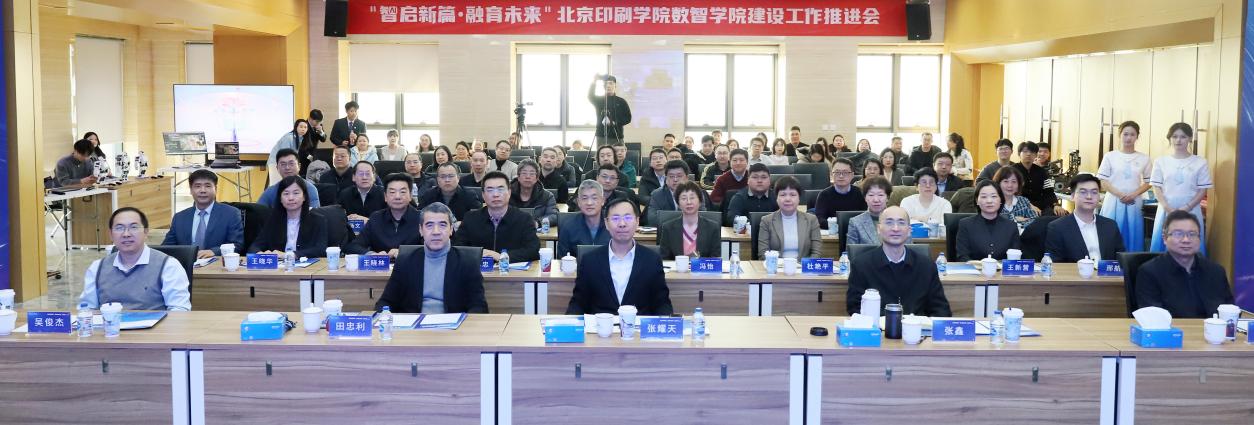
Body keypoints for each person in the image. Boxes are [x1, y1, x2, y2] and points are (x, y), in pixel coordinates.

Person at [373, 202, 489, 314]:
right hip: (414, 324)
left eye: (442, 225)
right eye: (429, 225)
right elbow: (385, 302)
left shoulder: (467, 262)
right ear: (420, 230)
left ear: (451, 230)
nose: (436, 232)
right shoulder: (405, 261)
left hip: (452, 325)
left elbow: (479, 306)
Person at [565, 198, 672, 315]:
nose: (622, 224)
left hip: (638, 326)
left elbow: (662, 303)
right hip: (601, 325)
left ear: (637, 222)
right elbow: (578, 303)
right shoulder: (590, 260)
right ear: (606, 223)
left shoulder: (652, 260)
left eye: (628, 218)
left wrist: (667, 321)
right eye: (615, 218)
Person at [79, 207, 191, 311]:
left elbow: (179, 311)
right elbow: (86, 309)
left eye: (134, 227)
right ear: (111, 234)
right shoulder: (97, 267)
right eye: (119, 228)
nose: (126, 234)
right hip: (109, 325)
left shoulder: (169, 266)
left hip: (155, 326)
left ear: (146, 232)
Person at [846, 206, 951, 317]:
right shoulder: (861, 265)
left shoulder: (927, 266)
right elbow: (855, 308)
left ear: (909, 230)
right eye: (889, 223)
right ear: (879, 229)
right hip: (878, 326)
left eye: (901, 223)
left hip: (917, 327)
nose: (895, 228)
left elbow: (941, 310)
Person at [1135, 210, 1232, 319]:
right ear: (1165, 238)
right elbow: (1153, 319)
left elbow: (1229, 313)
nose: (1186, 240)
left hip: (1213, 329)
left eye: (1192, 234)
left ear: (1199, 239)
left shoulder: (1216, 271)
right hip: (1172, 329)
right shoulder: (1149, 272)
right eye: (1178, 234)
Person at [1149, 122, 1212, 253]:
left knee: (1190, 242)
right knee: (1164, 244)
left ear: (1190, 138)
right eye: (1175, 136)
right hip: (1166, 209)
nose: (1178, 140)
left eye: (1183, 136)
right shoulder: (1160, 161)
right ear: (1170, 138)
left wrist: (1187, 208)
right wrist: (1167, 208)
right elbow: (1156, 187)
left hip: (1191, 209)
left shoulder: (1200, 162)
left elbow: (1202, 190)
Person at [453, 171, 541, 262]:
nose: (496, 195)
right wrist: (478, 253)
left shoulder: (524, 219)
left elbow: (533, 250)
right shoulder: (470, 218)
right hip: (478, 269)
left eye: (500, 189)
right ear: (483, 195)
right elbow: (458, 248)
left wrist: (501, 256)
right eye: (490, 190)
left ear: (509, 192)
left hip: (511, 270)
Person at [162, 169, 245, 258]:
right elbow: (166, 248)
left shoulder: (231, 214)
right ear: (191, 190)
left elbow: (237, 245)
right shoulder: (179, 217)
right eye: (197, 186)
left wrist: (214, 252)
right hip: (186, 264)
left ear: (215, 189)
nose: (203, 190)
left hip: (216, 263)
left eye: (208, 186)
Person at [1098, 121, 1152, 252]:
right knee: (1110, 232)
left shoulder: (1144, 158)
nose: (1128, 138)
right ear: (1120, 135)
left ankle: (1131, 260)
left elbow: (1149, 182)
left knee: (1134, 233)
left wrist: (1133, 194)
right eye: (1125, 134)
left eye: (1132, 134)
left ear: (1137, 136)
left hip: (1134, 201)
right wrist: (1120, 195)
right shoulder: (1110, 156)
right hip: (1113, 200)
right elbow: (1103, 180)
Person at [1045, 174, 1124, 262]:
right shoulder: (1057, 227)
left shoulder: (1110, 226)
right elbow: (1055, 265)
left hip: (1105, 271)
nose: (1089, 197)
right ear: (1072, 196)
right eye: (1083, 192)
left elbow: (1121, 260)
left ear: (1099, 197)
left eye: (1094, 192)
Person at [250, 176, 329, 258]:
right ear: (280, 198)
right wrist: (259, 253)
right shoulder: (273, 220)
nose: (291, 198)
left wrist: (291, 255)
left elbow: (320, 250)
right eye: (286, 194)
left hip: (305, 264)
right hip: (279, 265)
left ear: (304, 197)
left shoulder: (317, 220)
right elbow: (254, 246)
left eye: (296, 193)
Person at [346, 174, 424, 256]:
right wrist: (372, 254)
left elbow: (429, 247)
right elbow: (354, 246)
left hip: (411, 263)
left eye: (402, 192)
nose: (397, 197)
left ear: (410, 196)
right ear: (385, 197)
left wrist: (404, 252)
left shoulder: (421, 218)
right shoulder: (376, 218)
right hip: (380, 263)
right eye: (392, 192)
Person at [954, 180, 1020, 261]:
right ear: (977, 201)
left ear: (1001, 200)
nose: (989, 201)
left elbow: (1015, 257)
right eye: (984, 197)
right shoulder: (965, 224)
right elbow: (962, 256)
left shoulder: (1011, 226)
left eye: (994, 196)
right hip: (974, 268)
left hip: (1002, 269)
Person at [758, 176, 822, 259]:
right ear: (777, 198)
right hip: (776, 266)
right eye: (783, 195)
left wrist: (804, 265)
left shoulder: (811, 220)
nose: (787, 199)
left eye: (792, 195)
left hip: (803, 266)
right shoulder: (766, 221)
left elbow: (817, 252)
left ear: (799, 198)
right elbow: (763, 253)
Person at [657, 181, 720, 259]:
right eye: (684, 198)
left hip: (703, 267)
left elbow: (715, 259)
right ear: (678, 203)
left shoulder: (712, 227)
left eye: (692, 198)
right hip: (676, 267)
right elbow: (664, 260)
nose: (689, 202)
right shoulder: (668, 228)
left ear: (700, 201)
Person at [557, 180, 611, 258]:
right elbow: (562, 259)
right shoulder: (568, 226)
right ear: (578, 202)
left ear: (603, 201)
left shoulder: (613, 224)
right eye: (585, 198)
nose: (589, 203)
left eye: (594, 198)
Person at [647, 160, 710, 225]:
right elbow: (652, 219)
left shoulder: (696, 192)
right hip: (666, 230)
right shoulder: (657, 194)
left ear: (687, 177)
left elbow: (702, 216)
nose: (675, 179)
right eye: (671, 176)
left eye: (679, 176)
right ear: (666, 178)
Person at [813, 158, 867, 229]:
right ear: (831, 175)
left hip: (857, 231)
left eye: (845, 172)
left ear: (852, 175)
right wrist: (838, 226)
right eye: (837, 172)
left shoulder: (860, 193)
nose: (841, 176)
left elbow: (866, 217)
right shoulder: (824, 195)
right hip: (832, 232)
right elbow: (819, 219)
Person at [1013, 141, 1062, 215]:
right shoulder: (1012, 171)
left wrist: (1056, 205)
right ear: (1019, 154)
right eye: (1025, 151)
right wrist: (1028, 205)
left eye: (1032, 152)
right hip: (1019, 206)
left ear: (1036, 155)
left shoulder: (1041, 171)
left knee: (1061, 215)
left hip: (1041, 206)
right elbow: (1011, 194)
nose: (1028, 154)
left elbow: (1049, 191)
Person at [846, 177, 893, 246]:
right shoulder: (855, 223)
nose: (876, 200)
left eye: (880, 195)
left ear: (887, 198)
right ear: (865, 198)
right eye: (871, 195)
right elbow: (851, 251)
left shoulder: (900, 220)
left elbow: (907, 249)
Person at [509, 159, 558, 227]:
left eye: (532, 174)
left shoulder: (547, 196)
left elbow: (554, 216)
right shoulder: (507, 194)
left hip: (537, 232)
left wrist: (538, 223)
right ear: (518, 177)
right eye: (524, 173)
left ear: (537, 178)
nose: (528, 177)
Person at [589, 74, 631, 145]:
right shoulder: (599, 100)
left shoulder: (621, 101)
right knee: (602, 152)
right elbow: (590, 96)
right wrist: (594, 82)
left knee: (618, 152)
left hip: (617, 136)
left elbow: (628, 118)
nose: (608, 86)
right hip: (601, 136)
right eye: (606, 84)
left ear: (615, 86)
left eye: (611, 83)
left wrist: (615, 123)